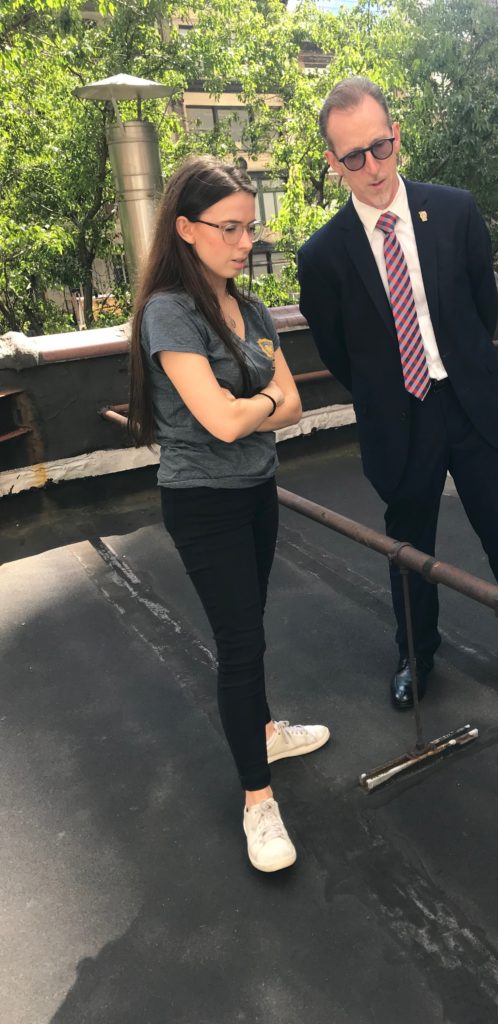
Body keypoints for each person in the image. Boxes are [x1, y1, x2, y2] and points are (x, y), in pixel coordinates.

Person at [297, 77, 498, 710]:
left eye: (380, 147)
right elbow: (339, 355)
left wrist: (451, 369)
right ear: (332, 162)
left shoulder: (454, 212)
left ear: (397, 136)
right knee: (408, 549)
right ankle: (416, 655)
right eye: (353, 157)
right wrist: (396, 388)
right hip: (399, 417)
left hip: (471, 405)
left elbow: (481, 311)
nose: (372, 167)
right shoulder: (321, 256)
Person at [128, 156, 329, 873]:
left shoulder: (252, 310)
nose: (247, 241)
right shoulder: (167, 313)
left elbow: (296, 404)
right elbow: (217, 423)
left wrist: (257, 411)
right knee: (239, 643)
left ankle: (265, 730)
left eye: (250, 227)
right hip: (202, 501)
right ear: (185, 229)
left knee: (252, 626)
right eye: (230, 228)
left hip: (254, 490)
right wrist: (260, 408)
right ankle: (257, 800)